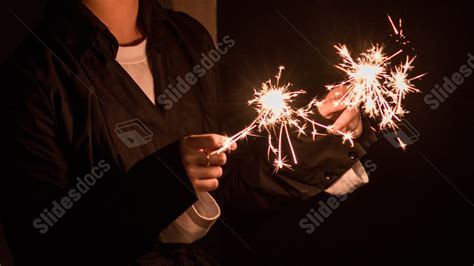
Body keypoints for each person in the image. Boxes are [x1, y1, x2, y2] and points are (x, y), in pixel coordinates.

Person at [1, 0, 375, 265]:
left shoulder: (186, 39)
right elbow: (46, 246)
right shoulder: (33, 78)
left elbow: (227, 190)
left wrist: (313, 135)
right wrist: (164, 181)